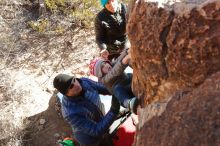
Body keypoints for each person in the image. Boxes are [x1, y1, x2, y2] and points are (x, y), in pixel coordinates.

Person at [53, 74, 120, 146]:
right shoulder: (70, 113)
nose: (76, 85)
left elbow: (104, 88)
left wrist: (117, 89)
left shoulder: (84, 82)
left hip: (101, 120)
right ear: (66, 93)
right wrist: (114, 109)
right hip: (91, 139)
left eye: (74, 80)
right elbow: (95, 130)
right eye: (71, 86)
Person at [92, 49, 138, 114]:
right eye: (102, 67)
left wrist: (127, 51)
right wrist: (126, 60)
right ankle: (129, 103)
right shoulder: (103, 80)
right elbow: (115, 71)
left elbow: (118, 59)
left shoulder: (111, 65)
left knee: (130, 75)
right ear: (100, 73)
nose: (106, 66)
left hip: (129, 82)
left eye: (105, 63)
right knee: (117, 89)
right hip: (125, 92)